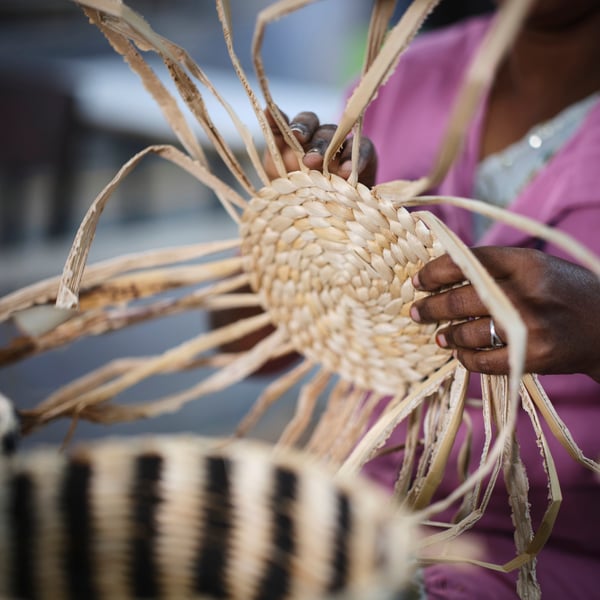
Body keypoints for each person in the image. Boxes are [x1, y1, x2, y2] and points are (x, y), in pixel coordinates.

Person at [262, 0, 600, 597]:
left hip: (544, 558)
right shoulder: (398, 82)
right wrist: (299, 224)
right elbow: (255, 343)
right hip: (345, 523)